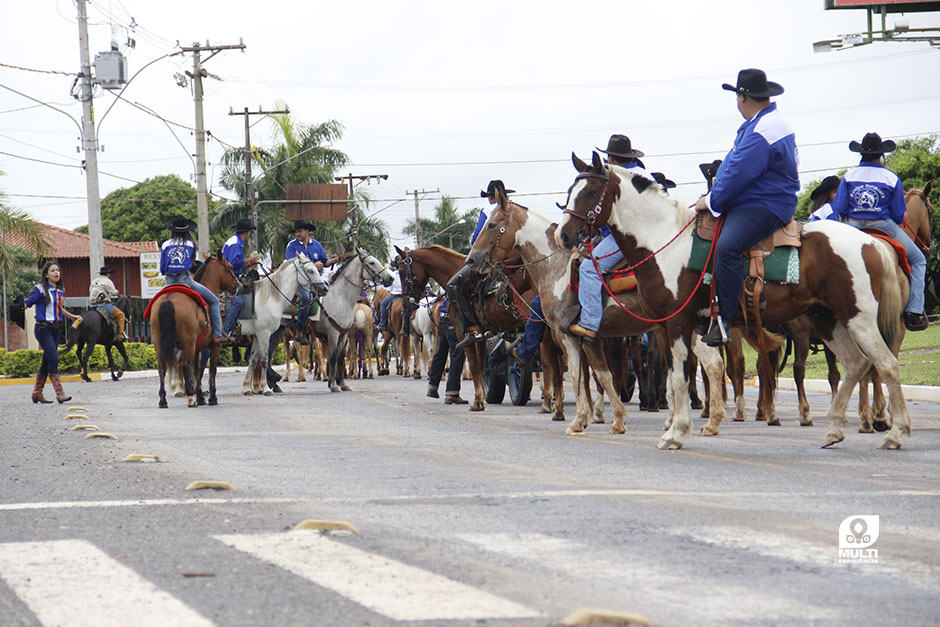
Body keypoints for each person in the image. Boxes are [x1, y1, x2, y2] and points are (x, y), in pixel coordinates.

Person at [694, 69, 799, 347]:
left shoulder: (763, 129)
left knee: (726, 248)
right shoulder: (761, 123)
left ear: (742, 98)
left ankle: (724, 320)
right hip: (760, 199)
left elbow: (738, 172)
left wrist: (711, 201)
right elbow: (732, 167)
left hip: (766, 203)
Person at [831, 132, 928, 331]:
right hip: (883, 226)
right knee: (919, 260)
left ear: (861, 154)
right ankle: (914, 311)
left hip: (853, 227)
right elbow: (899, 214)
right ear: (881, 155)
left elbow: (839, 209)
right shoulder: (891, 178)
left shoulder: (849, 176)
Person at [570, 134, 655, 340]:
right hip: (655, 233)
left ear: (613, 158)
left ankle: (590, 323)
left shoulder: (617, 178)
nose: (607, 161)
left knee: (589, 268)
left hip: (629, 236)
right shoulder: (644, 174)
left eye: (608, 157)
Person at [24, 260, 83, 403]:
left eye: (57, 270)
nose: (56, 273)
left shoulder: (60, 290)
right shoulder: (40, 289)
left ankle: (37, 392)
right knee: (54, 358)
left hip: (55, 329)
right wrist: (18, 308)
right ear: (46, 274)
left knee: (47, 361)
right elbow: (28, 302)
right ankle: (60, 392)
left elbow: (59, 308)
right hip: (42, 328)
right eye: (52, 271)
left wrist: (73, 316)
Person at [160, 215, 223, 344]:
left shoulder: (165, 244)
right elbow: (191, 262)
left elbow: (162, 267)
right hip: (186, 281)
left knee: (156, 306)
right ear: (186, 231)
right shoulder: (190, 244)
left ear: (172, 231)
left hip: (169, 282)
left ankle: (156, 335)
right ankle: (217, 335)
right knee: (215, 301)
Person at [284, 219, 330, 344]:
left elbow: (325, 262)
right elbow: (291, 264)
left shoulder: (316, 245)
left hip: (316, 280)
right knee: (307, 297)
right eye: (296, 232)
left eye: (300, 231)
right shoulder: (292, 245)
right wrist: (314, 266)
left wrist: (337, 259)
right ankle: (300, 331)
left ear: (307, 231)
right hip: (298, 282)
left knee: (331, 294)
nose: (297, 234)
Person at [221, 218, 260, 344]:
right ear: (247, 232)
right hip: (229, 278)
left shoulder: (237, 242)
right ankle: (226, 331)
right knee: (238, 302)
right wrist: (250, 260)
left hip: (234, 276)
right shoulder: (235, 243)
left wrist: (249, 264)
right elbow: (232, 264)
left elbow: (238, 265)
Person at [426, 292, 468, 404]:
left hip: (442, 319)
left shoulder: (450, 284)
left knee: (440, 353)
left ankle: (432, 387)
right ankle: (452, 393)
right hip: (453, 320)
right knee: (457, 355)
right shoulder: (461, 283)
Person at [89, 265, 126, 340]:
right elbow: (114, 293)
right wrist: (118, 292)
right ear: (107, 274)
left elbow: (90, 291)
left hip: (92, 305)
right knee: (121, 315)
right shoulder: (107, 281)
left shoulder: (94, 281)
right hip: (104, 304)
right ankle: (120, 335)